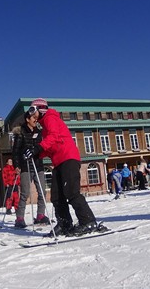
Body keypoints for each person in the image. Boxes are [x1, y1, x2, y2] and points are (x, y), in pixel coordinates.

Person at [25, 98, 104, 236]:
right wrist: (36, 154)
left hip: (68, 158)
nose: (31, 114)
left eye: (32, 110)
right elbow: (50, 147)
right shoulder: (44, 128)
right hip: (58, 162)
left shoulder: (50, 118)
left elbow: (54, 136)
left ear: (40, 109)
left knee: (72, 192)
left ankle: (88, 221)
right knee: (56, 196)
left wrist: (38, 148)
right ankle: (65, 224)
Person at [11, 111, 50, 229]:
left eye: (37, 118)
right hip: (25, 166)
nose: (36, 120)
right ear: (27, 119)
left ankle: (40, 215)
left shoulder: (38, 132)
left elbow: (41, 147)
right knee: (25, 193)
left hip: (38, 165)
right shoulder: (20, 132)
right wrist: (17, 165)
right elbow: (15, 151)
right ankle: (19, 218)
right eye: (34, 117)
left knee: (42, 191)